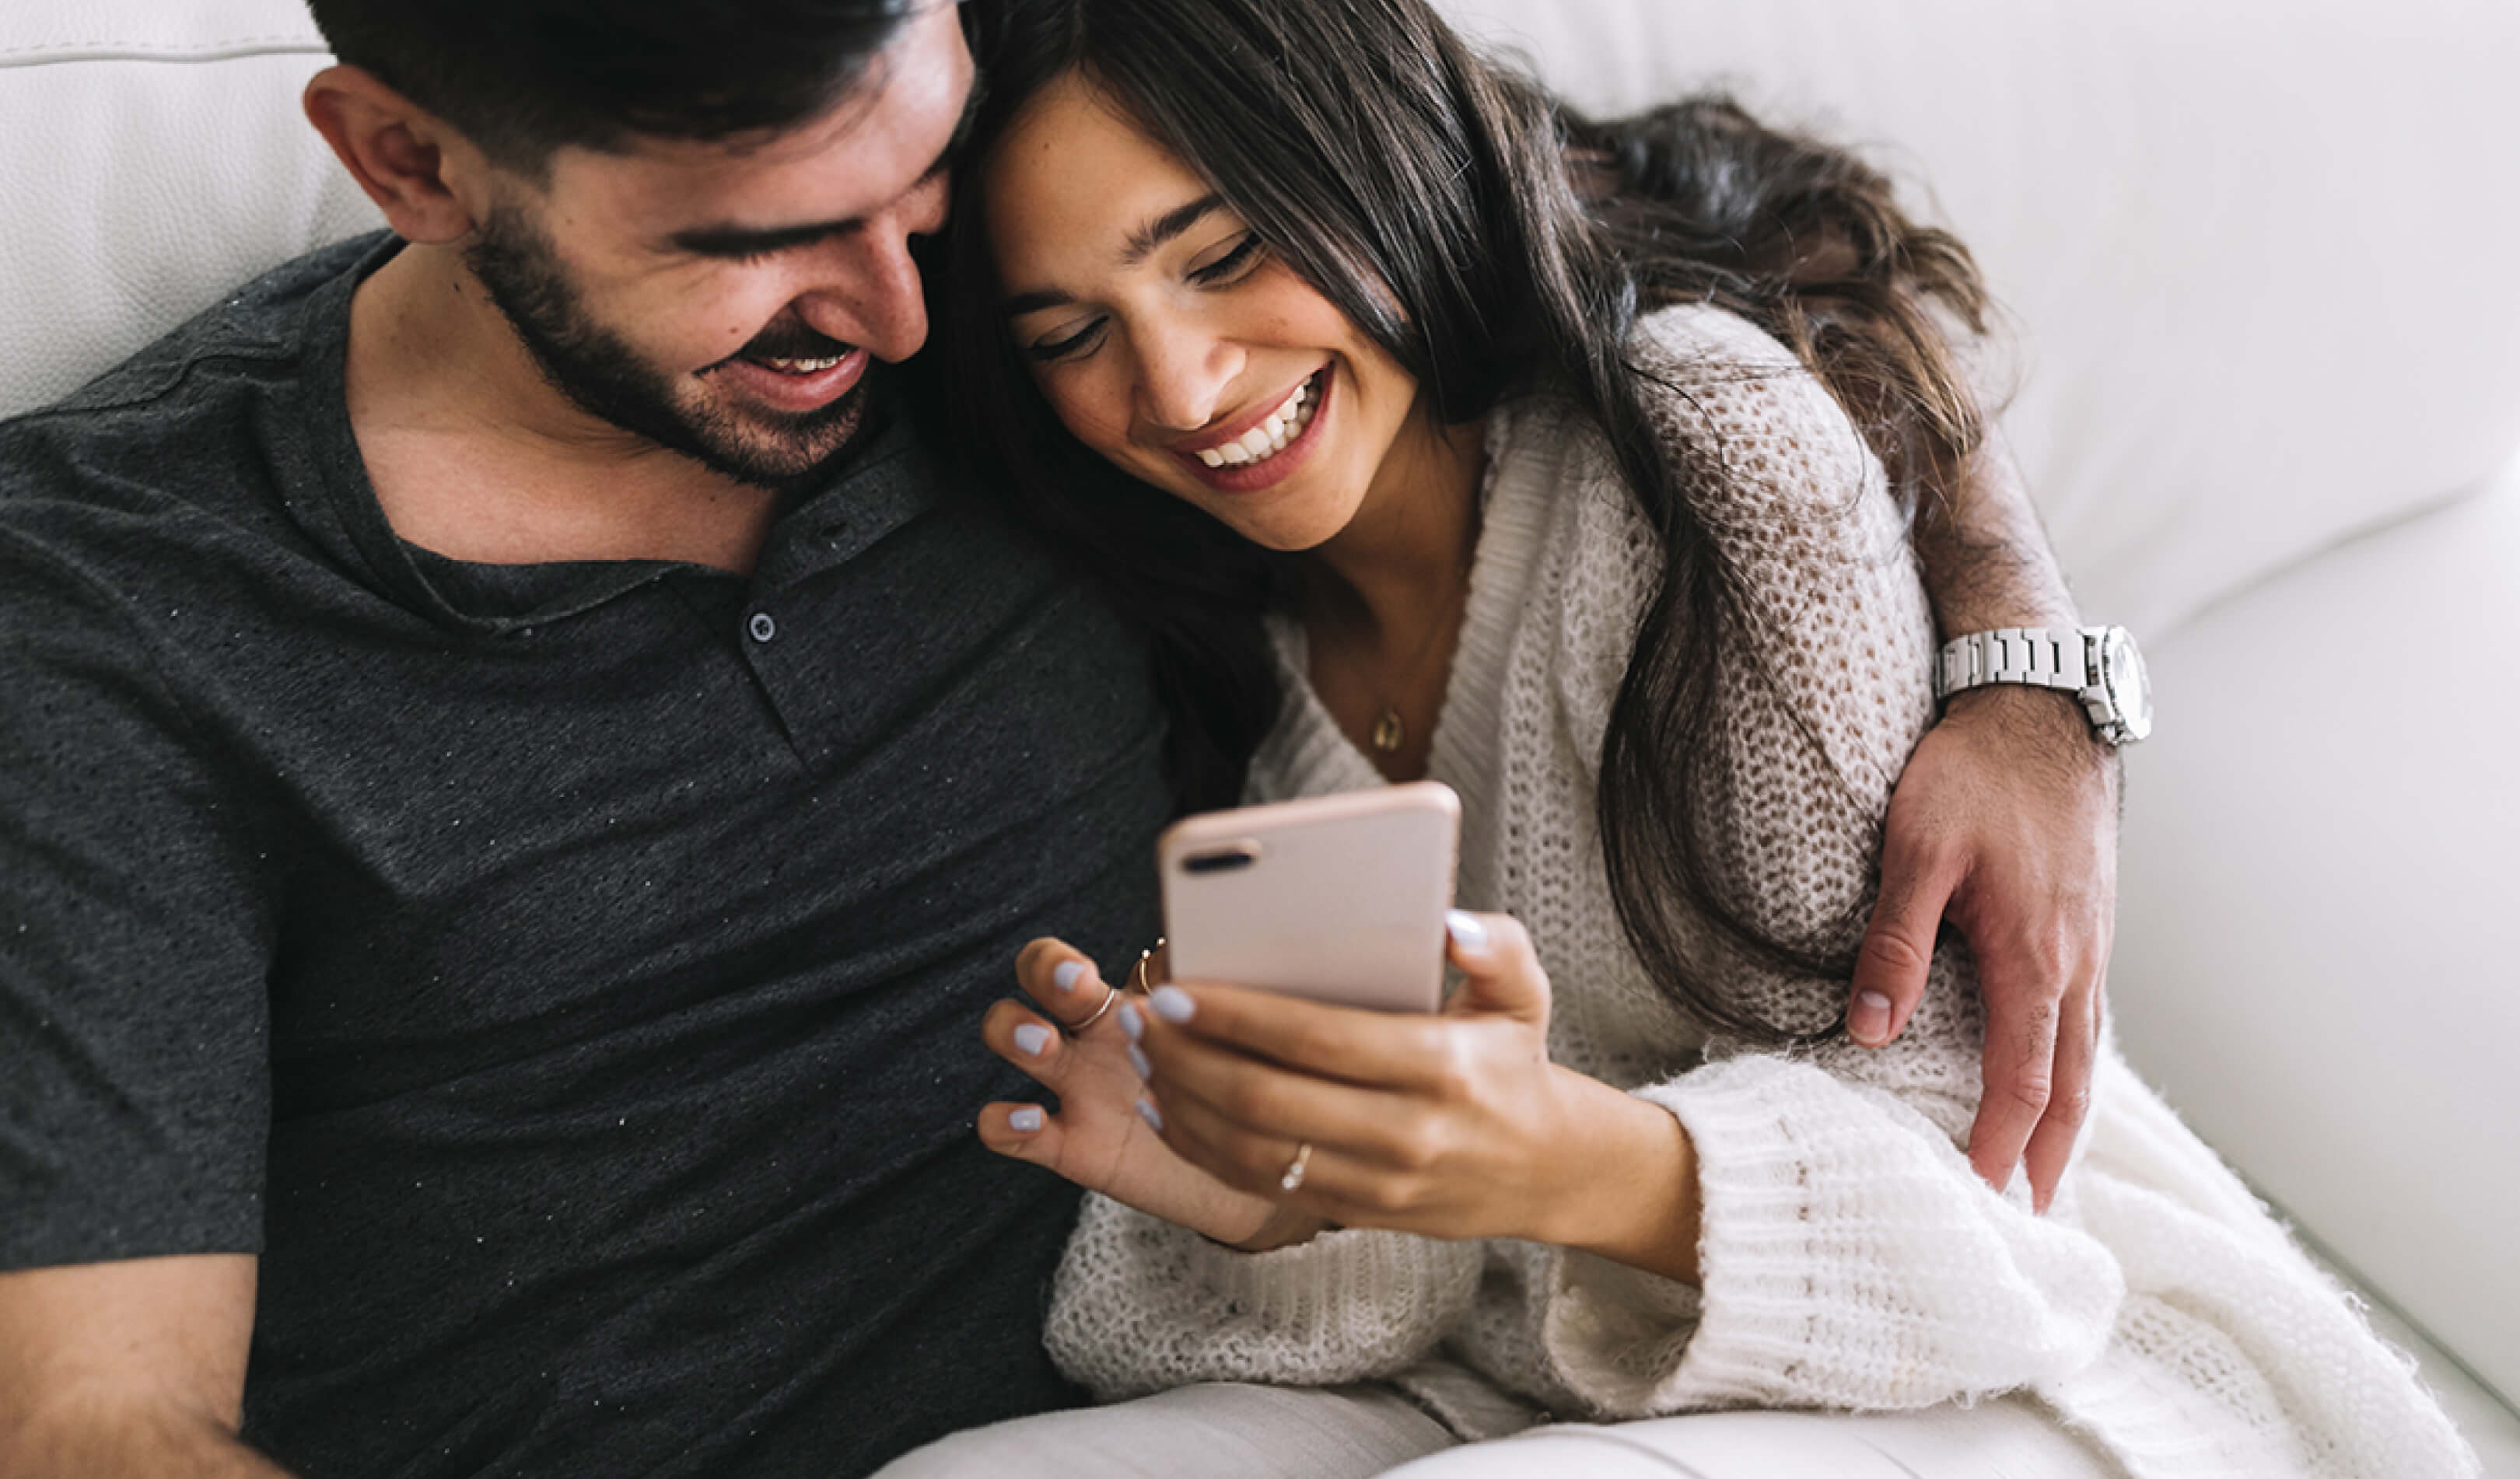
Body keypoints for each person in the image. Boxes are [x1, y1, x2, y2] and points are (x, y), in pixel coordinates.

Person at [0, 2, 2169, 1476]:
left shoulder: (1054, 284)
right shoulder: (111, 614)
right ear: (408, 159)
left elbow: (1669, 215)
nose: (909, 315)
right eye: (760, 244)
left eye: (919, 192)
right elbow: (92, 1422)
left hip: (1268, 1359)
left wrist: (2023, 646)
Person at [870, 0, 2483, 1474]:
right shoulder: (1219, 658)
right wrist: (1279, 1197)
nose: (1178, 381)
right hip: (1511, 1392)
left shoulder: (1699, 454)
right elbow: (1408, 1279)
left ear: (1365, 159)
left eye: (1219, 254)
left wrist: (1568, 1160)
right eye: (1072, 333)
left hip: (2003, 1362)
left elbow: (1980, 1205)